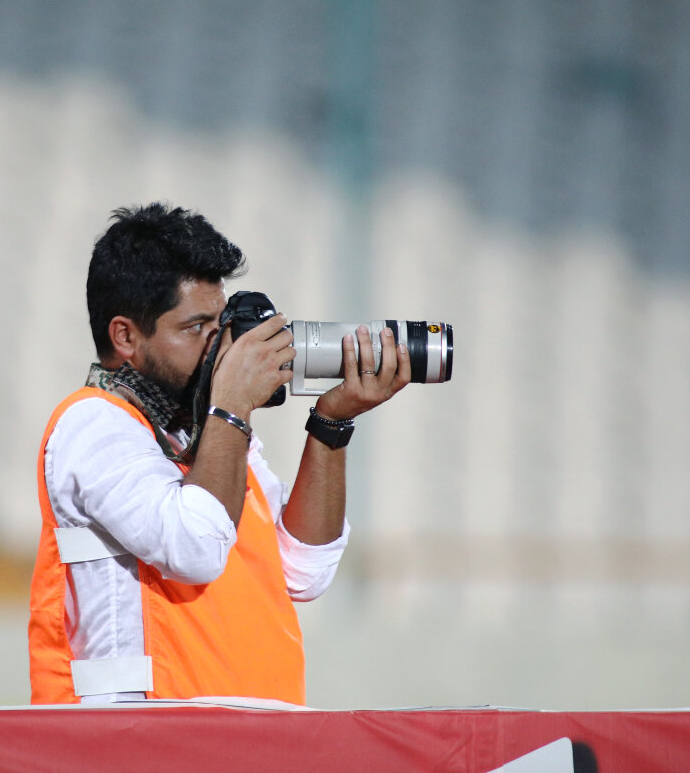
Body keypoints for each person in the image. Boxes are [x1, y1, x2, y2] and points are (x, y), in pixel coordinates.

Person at [28, 203, 410, 705]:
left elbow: (304, 571)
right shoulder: (93, 423)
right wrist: (231, 406)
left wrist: (330, 423)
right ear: (125, 336)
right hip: (134, 738)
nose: (217, 348)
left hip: (248, 737)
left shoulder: (202, 433)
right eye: (195, 328)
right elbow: (196, 549)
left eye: (219, 325)